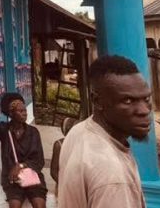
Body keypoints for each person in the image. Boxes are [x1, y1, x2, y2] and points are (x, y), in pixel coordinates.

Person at [58, 55, 150, 207]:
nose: (144, 110)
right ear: (97, 101)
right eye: (128, 100)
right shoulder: (113, 177)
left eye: (146, 99)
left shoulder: (80, 130)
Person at [0, 92, 47, 207]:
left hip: (32, 175)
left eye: (25, 110)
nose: (25, 113)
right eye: (20, 111)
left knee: (39, 204)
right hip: (12, 179)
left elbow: (39, 160)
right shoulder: (4, 129)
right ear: (11, 113)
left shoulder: (33, 132)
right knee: (15, 205)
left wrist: (21, 166)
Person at [50, 116, 76, 192]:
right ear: (67, 130)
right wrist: (65, 186)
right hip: (64, 187)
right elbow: (53, 171)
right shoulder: (59, 145)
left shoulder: (82, 144)